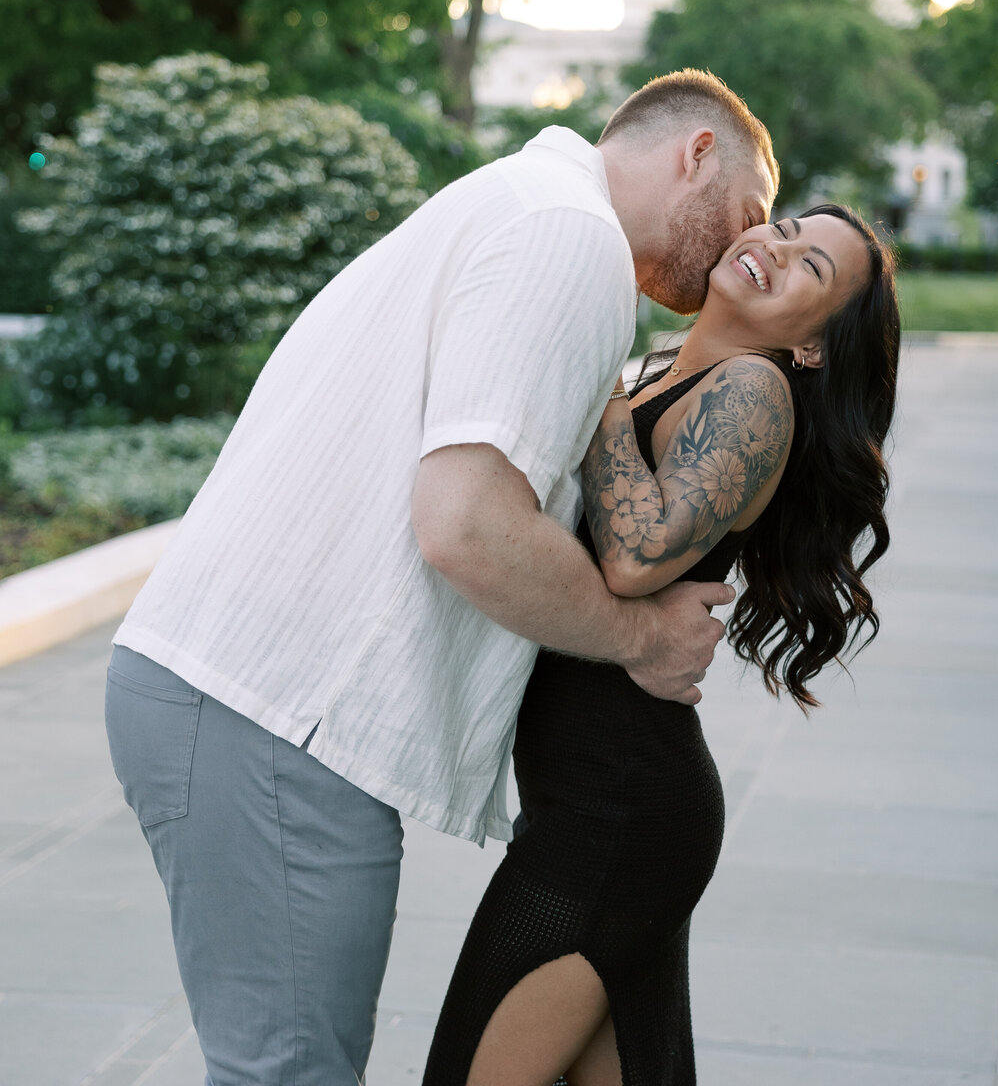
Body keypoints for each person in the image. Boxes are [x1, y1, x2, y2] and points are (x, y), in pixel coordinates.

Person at [104, 69, 777, 1086]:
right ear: (694, 156)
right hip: (272, 715)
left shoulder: (515, 203)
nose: (747, 246)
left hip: (245, 702)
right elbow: (465, 524)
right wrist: (644, 638)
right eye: (750, 212)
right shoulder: (570, 237)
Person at [422, 203, 899, 1086]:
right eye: (786, 228)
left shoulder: (753, 389)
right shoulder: (661, 375)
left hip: (619, 814)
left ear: (816, 347)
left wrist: (595, 377)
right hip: (609, 803)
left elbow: (638, 554)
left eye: (811, 269)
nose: (775, 249)